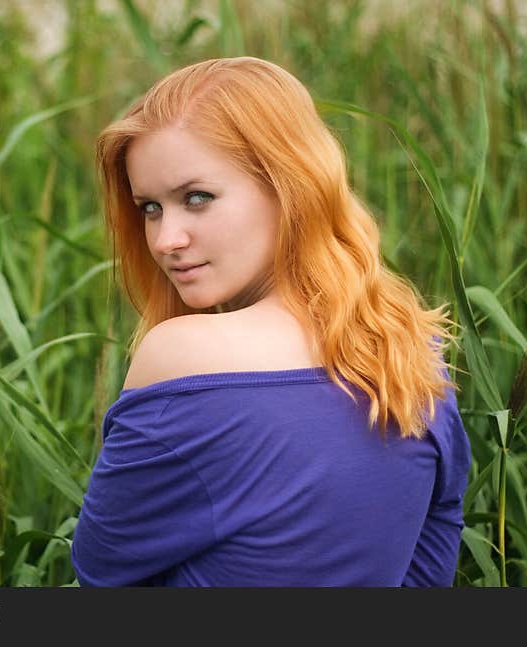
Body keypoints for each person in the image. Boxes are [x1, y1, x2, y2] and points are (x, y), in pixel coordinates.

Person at [70, 56, 471, 586]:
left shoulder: (182, 355)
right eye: (150, 208)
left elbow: (100, 573)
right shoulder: (412, 351)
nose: (166, 240)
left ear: (290, 186)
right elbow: (430, 569)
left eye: (197, 198)